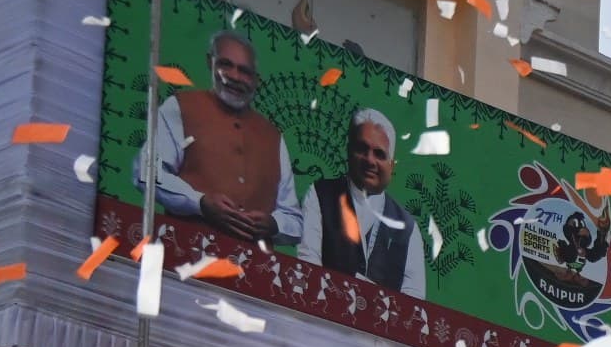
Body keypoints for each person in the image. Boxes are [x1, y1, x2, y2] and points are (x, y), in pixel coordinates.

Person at [142, 29, 302, 248]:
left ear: (256, 80)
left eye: (244, 71)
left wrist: (273, 224)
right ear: (211, 63)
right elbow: (147, 173)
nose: (235, 77)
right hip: (184, 263)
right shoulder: (180, 107)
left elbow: (293, 220)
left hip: (253, 274)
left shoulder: (273, 137)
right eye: (226, 65)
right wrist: (200, 203)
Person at [294, 107, 426, 295]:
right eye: (362, 149)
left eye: (379, 154)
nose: (370, 160)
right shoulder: (319, 195)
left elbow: (413, 304)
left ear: (391, 165)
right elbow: (307, 267)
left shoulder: (408, 229)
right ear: (349, 151)